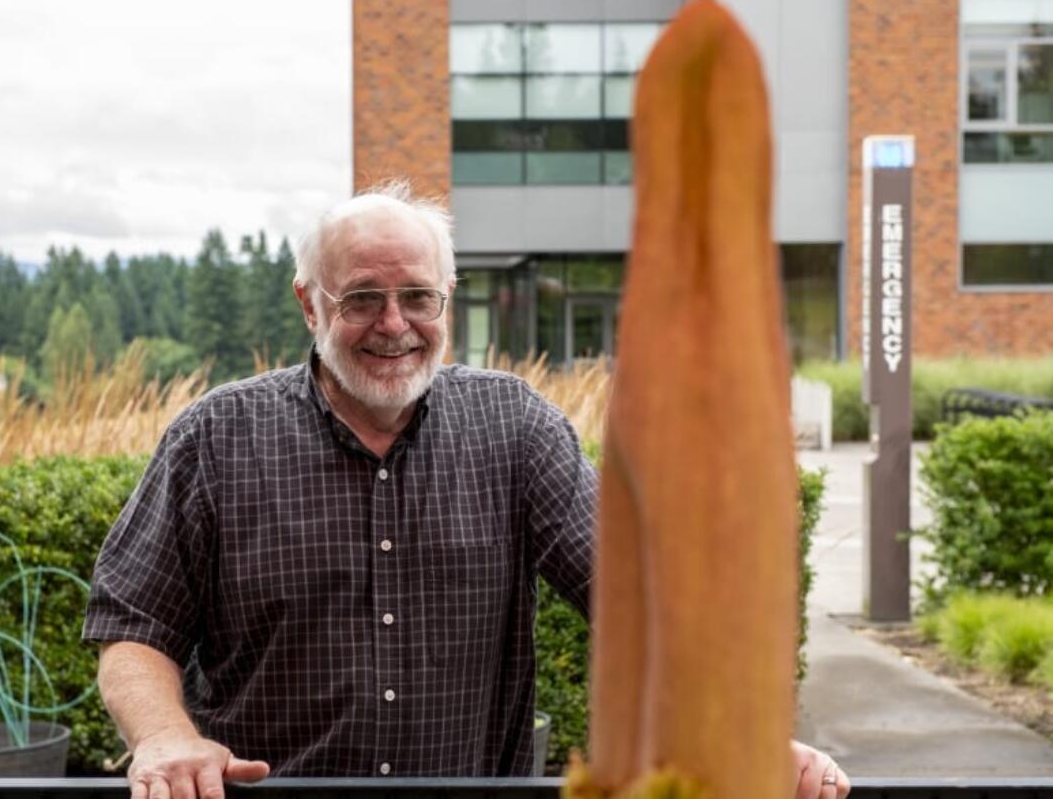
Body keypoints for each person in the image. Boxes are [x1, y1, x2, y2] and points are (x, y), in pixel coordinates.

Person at [82, 182, 850, 799]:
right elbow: (134, 626)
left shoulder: (513, 426)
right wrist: (165, 736)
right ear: (309, 303)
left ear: (448, 297)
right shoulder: (216, 437)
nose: (395, 324)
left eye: (418, 296)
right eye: (361, 299)